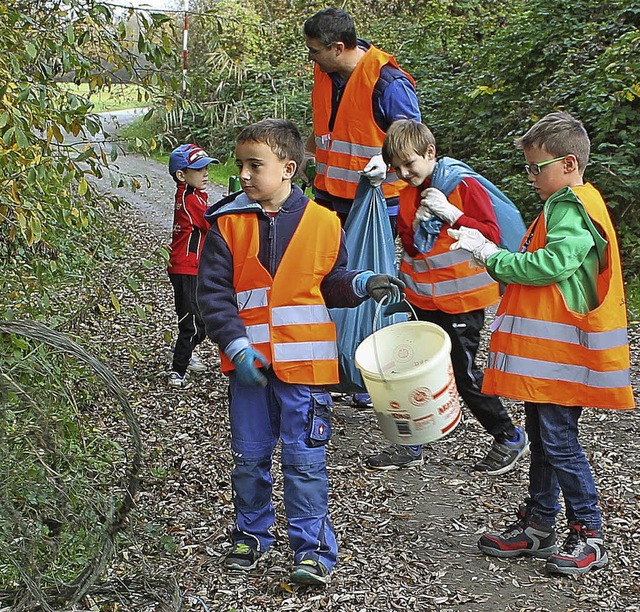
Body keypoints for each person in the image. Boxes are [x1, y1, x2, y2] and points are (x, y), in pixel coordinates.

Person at [196, 118, 405, 586]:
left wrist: (362, 283)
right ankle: (251, 534)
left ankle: (311, 550)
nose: (245, 175)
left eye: (256, 165)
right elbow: (213, 296)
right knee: (249, 458)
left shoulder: (324, 222)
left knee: (305, 460)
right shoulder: (226, 223)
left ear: (288, 168)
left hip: (306, 371)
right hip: (250, 370)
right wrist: (236, 346)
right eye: (241, 165)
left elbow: (329, 282)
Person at [449, 112, 635, 575]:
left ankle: (588, 533)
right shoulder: (568, 203)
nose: (531, 177)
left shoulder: (571, 205)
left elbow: (551, 265)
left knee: (557, 442)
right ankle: (540, 525)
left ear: (568, 164)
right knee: (545, 438)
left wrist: (492, 256)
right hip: (550, 361)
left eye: (537, 168)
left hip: (561, 360)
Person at [364, 119, 528, 473]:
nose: (405, 173)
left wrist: (451, 215)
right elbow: (409, 245)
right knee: (414, 370)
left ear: (430, 153)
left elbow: (489, 232)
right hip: (423, 298)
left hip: (461, 301)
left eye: (411, 164)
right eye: (398, 168)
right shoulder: (409, 192)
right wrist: (417, 223)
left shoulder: (461, 185)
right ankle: (411, 443)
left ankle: (509, 435)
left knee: (463, 374)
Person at [303, 7, 420, 408]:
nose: (310, 58)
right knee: (327, 281)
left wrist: (385, 165)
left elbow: (413, 145)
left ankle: (369, 373)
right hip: (329, 200)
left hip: (376, 205)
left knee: (373, 285)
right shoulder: (326, 73)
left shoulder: (388, 83)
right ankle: (333, 365)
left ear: (338, 47)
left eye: (315, 51)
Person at [166, 144, 218, 388]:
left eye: (207, 167)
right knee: (192, 321)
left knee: (203, 319)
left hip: (194, 268)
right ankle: (178, 369)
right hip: (186, 268)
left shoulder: (195, 196)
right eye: (198, 169)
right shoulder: (190, 200)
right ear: (181, 175)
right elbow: (213, 225)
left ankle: (182, 350)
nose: (205, 173)